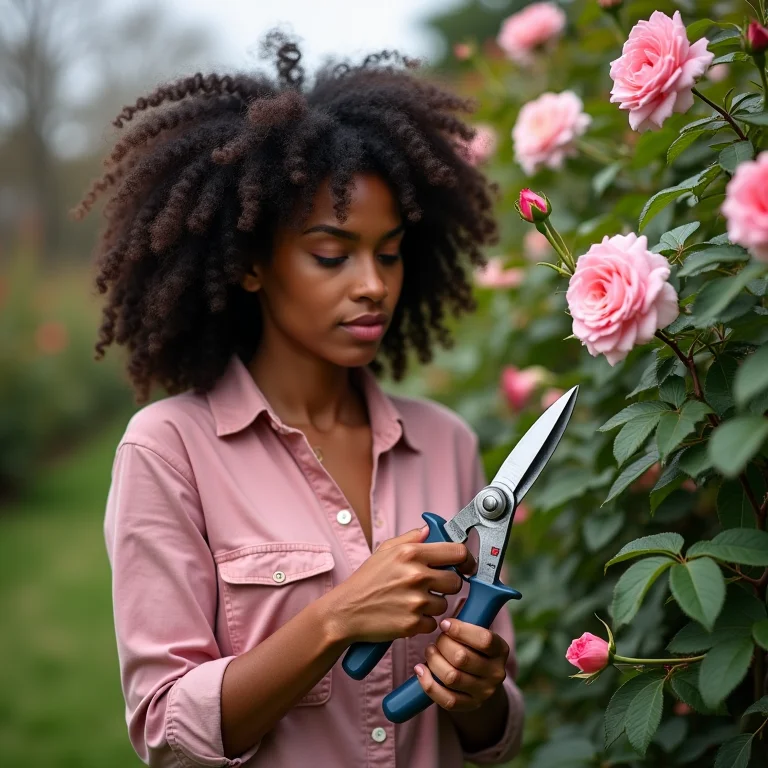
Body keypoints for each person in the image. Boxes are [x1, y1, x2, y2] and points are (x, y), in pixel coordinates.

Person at [74, 29, 524, 768]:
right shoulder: (169, 450)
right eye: (331, 254)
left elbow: (495, 734)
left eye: (389, 252)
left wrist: (478, 694)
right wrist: (335, 619)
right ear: (252, 265)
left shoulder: (448, 444)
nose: (373, 285)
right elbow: (167, 734)